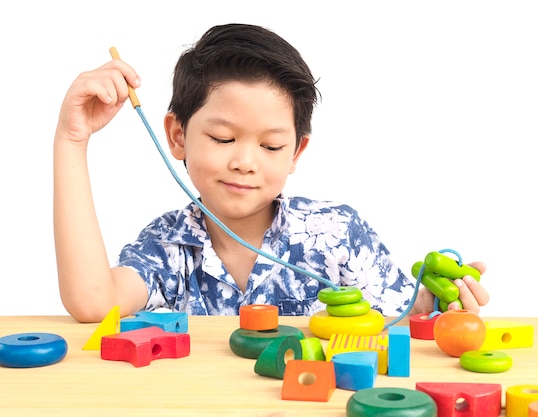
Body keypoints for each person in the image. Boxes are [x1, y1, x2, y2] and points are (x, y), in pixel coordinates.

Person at [53, 23, 489, 323]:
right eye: (224, 139)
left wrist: (446, 297)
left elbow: (409, 309)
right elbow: (94, 302)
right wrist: (72, 141)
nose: (245, 161)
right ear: (178, 135)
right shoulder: (166, 247)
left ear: (296, 151)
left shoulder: (336, 232)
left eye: (271, 145)